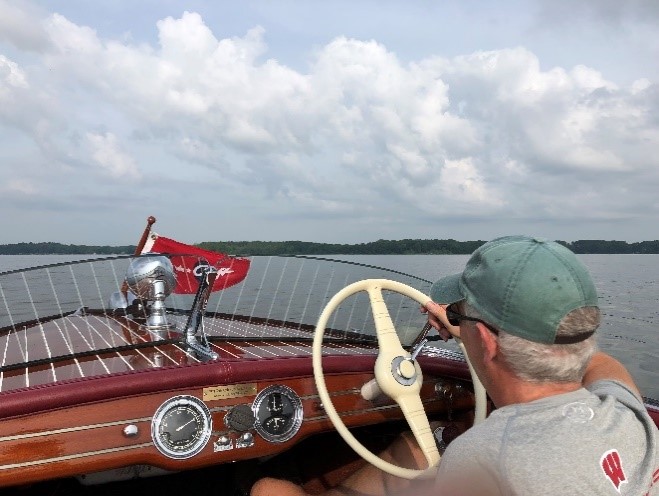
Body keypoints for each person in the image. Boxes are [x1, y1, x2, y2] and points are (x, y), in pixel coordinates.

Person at [251, 235, 658, 496]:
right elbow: (604, 362)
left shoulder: (487, 458)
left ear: (484, 339)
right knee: (420, 445)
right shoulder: (625, 412)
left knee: (269, 488)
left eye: (463, 316)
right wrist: (472, 328)